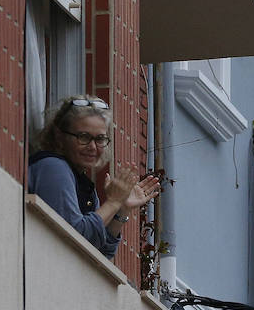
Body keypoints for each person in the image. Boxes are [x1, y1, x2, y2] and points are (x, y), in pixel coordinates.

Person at [28, 95, 161, 259]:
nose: (92, 147)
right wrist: (113, 202)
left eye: (100, 139)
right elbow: (73, 238)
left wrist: (122, 210)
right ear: (59, 136)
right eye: (83, 137)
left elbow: (101, 255)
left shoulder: (80, 179)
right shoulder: (53, 167)